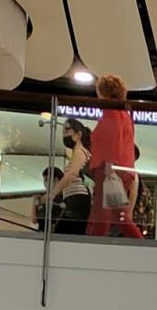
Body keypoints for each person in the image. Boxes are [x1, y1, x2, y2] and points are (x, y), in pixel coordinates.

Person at [85, 75, 142, 239]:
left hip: (108, 168)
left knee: (102, 213)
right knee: (118, 215)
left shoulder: (112, 112)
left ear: (103, 92)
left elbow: (113, 140)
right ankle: (140, 244)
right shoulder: (124, 114)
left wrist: (109, 166)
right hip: (120, 168)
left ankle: (93, 245)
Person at [49, 118, 92, 234]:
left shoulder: (80, 151)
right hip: (74, 198)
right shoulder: (78, 152)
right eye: (63, 132)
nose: (65, 134)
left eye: (67, 130)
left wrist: (53, 193)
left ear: (79, 134)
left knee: (63, 234)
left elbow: (72, 174)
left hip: (78, 198)